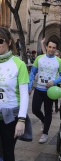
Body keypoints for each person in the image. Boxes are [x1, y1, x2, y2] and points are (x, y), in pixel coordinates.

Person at [28, 40, 61, 144]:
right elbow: (32, 72)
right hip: (39, 88)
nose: (51, 49)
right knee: (35, 109)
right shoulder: (39, 58)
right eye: (50, 47)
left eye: (53, 48)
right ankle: (43, 120)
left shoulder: (59, 61)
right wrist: (29, 86)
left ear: (56, 49)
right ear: (46, 47)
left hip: (50, 91)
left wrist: (54, 82)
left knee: (48, 111)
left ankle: (45, 133)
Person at [0, 27, 29, 160]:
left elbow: (24, 94)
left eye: (0, 41)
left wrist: (21, 120)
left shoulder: (19, 64)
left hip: (10, 117)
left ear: (9, 42)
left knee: (7, 153)